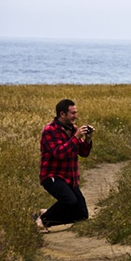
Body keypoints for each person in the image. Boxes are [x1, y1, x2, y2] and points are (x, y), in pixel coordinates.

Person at [34, 99, 94, 233]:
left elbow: (83, 153)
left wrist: (88, 139)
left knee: (82, 215)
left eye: (76, 113)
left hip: (70, 178)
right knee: (69, 201)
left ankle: (47, 214)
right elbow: (59, 153)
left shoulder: (73, 129)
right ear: (62, 114)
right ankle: (42, 220)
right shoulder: (50, 131)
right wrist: (76, 137)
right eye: (72, 113)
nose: (76, 116)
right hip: (52, 176)